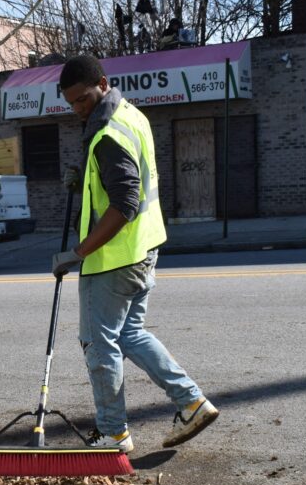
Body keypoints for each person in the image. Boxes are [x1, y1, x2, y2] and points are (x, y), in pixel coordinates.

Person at [51, 54, 219, 453]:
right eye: (71, 102)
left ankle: (113, 432)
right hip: (144, 251)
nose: (78, 109)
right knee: (130, 335)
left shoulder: (108, 132)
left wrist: (77, 252)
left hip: (114, 260)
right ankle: (192, 402)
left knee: (98, 342)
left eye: (84, 99)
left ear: (103, 84)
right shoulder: (132, 116)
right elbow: (126, 182)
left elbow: (125, 203)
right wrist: (86, 181)